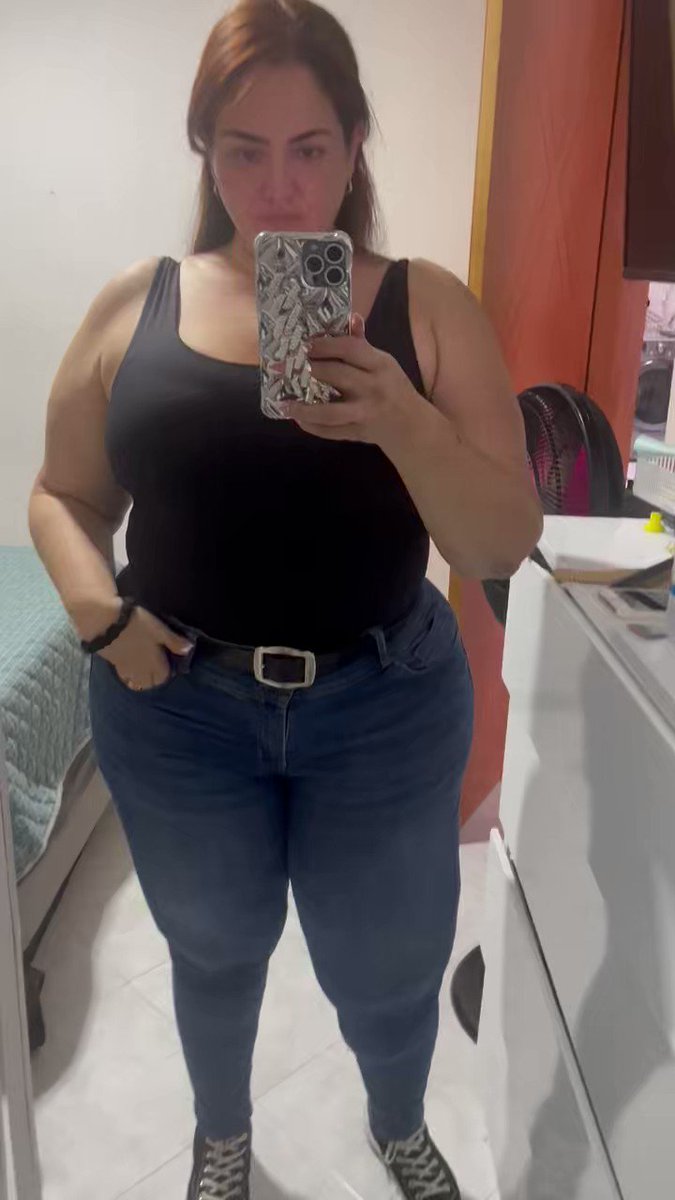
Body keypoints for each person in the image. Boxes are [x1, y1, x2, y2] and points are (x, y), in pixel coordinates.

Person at [29, 2, 542, 1197]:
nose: (279, 186)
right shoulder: (137, 304)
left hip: (385, 705)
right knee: (212, 951)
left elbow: (500, 539)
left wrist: (404, 422)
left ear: (356, 146)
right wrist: (104, 623)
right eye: (243, 150)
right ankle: (223, 1136)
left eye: (310, 147)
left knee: (389, 964)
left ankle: (397, 1124)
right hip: (178, 710)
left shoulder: (427, 306)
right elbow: (61, 496)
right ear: (204, 154)